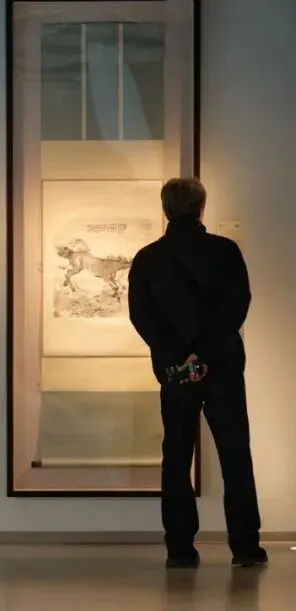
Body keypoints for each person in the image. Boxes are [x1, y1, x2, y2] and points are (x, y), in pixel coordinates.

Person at [127, 177, 265, 569]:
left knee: (176, 456)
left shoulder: (148, 258)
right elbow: (237, 305)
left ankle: (180, 548)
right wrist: (203, 354)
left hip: (175, 372)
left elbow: (142, 316)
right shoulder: (225, 251)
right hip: (222, 366)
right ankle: (245, 546)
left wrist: (179, 357)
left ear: (165, 208)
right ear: (201, 207)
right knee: (234, 453)